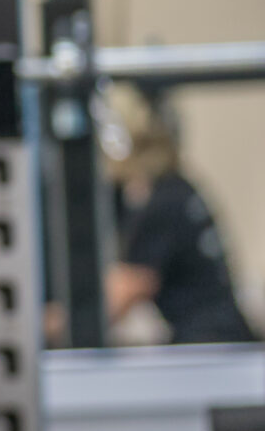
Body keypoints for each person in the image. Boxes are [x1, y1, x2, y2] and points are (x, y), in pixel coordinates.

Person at [98, 83, 255, 345]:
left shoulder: (163, 202)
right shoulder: (179, 189)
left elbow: (121, 294)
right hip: (220, 339)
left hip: (212, 346)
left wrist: (47, 324)